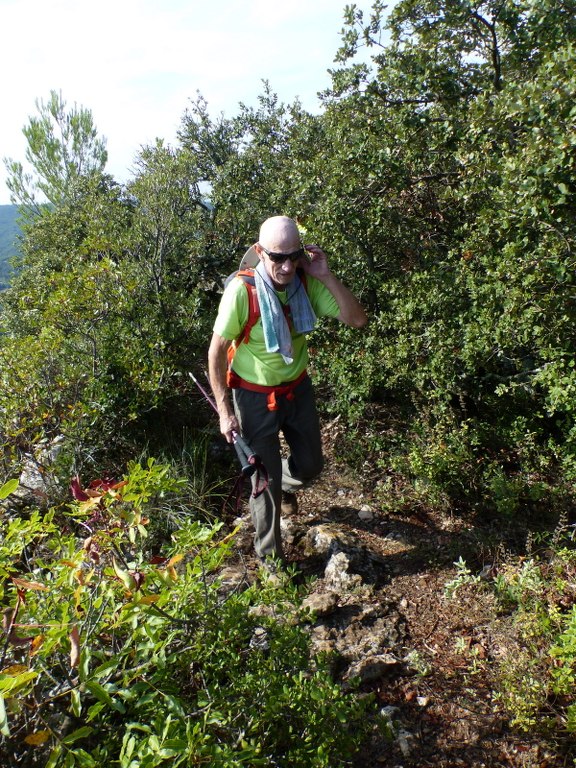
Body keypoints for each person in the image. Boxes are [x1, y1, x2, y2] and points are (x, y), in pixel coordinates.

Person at [208, 215, 367, 568]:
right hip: (253, 395)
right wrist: (225, 411)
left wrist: (324, 275)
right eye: (276, 257)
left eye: (292, 256)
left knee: (311, 466)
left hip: (296, 389)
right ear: (258, 253)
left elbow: (357, 319)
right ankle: (272, 566)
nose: (284, 266)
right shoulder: (242, 291)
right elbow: (216, 351)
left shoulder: (305, 283)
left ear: (302, 254)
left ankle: (283, 481)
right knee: (263, 485)